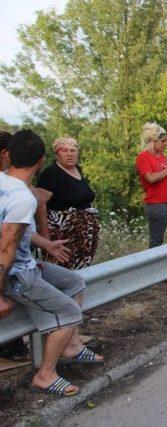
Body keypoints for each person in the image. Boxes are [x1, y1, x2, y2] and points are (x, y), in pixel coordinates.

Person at [1, 130, 104, 398]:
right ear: (42, 159)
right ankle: (45, 375)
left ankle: (70, 346)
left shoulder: (6, 184)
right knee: (70, 312)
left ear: (9, 156)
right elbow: (6, 247)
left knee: (74, 282)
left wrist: (45, 244)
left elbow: (14, 232)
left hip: (27, 265)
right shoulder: (24, 198)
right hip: (17, 275)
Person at [36, 137, 99, 269]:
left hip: (82, 235)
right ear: (57, 154)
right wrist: (46, 239)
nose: (70, 154)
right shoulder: (50, 173)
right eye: (64, 150)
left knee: (81, 268)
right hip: (62, 234)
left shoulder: (78, 169)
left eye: (73, 150)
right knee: (62, 268)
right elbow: (40, 204)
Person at [135, 122, 167, 248]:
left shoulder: (162, 156)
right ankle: (155, 267)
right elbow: (151, 178)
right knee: (157, 240)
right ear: (153, 141)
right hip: (156, 204)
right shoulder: (143, 157)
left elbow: (164, 175)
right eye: (163, 141)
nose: (166, 144)